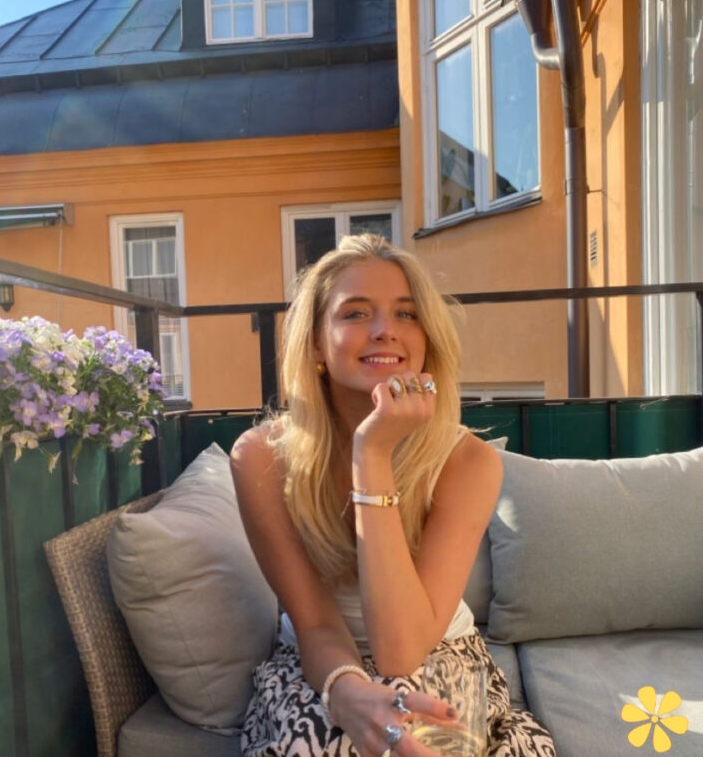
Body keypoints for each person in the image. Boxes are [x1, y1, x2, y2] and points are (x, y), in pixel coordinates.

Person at [231, 234, 556, 757]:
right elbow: (313, 622)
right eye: (356, 314)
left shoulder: (466, 461)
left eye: (406, 315)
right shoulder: (261, 457)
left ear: (426, 337)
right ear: (315, 342)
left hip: (438, 653)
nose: (385, 331)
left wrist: (372, 456)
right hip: (320, 662)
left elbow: (401, 649)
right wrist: (346, 691)